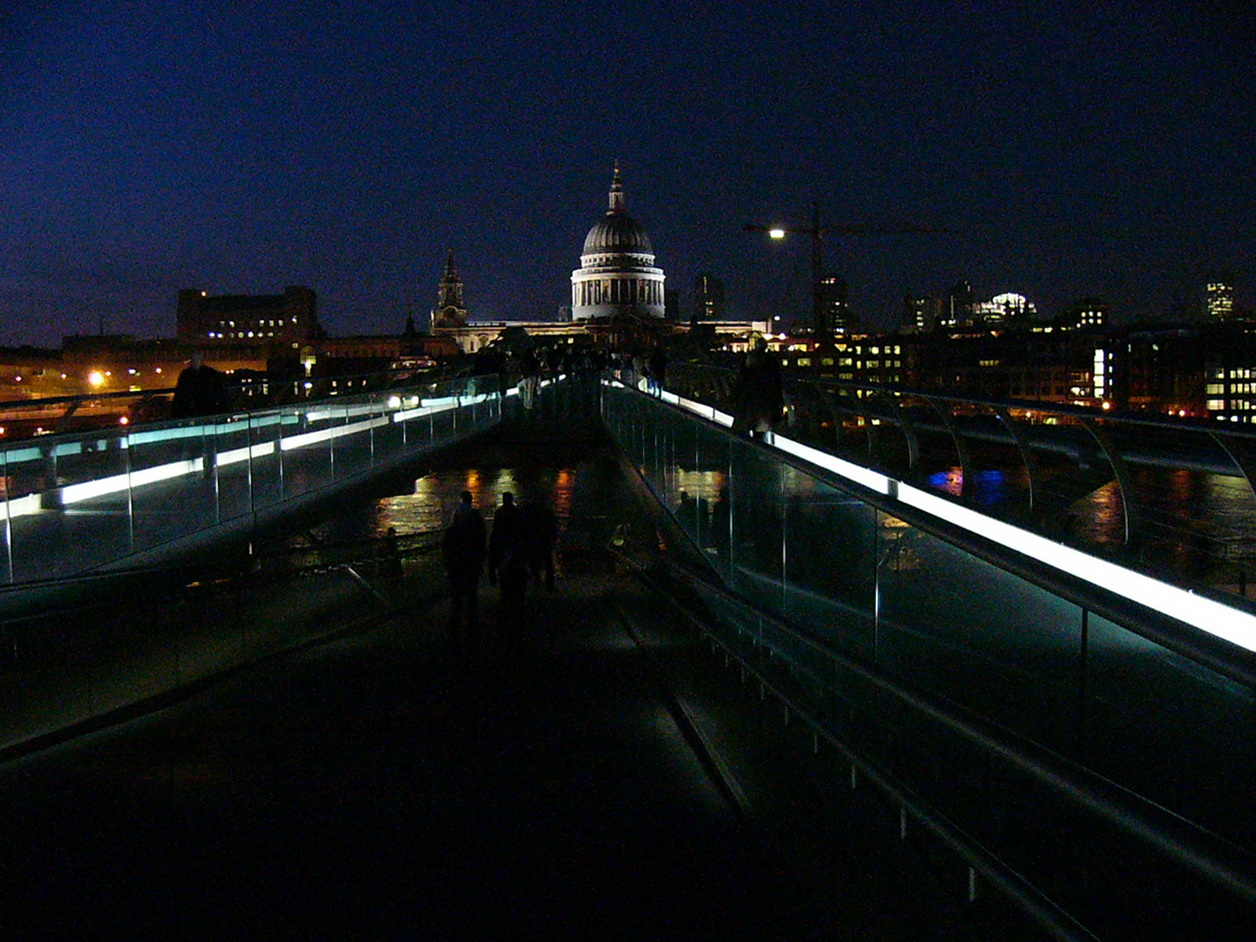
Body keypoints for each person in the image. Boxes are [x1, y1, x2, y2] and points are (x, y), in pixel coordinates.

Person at [442, 491, 487, 646]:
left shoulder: (456, 514)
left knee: (457, 593)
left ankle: (455, 622)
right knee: (472, 591)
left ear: (461, 499)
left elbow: (449, 537)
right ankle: (472, 621)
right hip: (472, 558)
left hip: (457, 560)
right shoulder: (475, 515)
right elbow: (482, 535)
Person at [488, 491, 529, 641]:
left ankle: (507, 614)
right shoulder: (518, 514)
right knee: (517, 586)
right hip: (516, 552)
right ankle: (517, 616)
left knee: (505, 585)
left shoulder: (499, 514)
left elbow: (495, 533)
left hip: (504, 552)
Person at [731, 335, 783, 436]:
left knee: (745, 425)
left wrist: (734, 396)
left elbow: (741, 380)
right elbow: (776, 383)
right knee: (760, 428)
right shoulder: (771, 362)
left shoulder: (749, 361)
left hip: (748, 397)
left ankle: (745, 444)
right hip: (764, 397)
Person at [171, 351, 230, 419]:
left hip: (193, 409)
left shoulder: (186, 375)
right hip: (204, 408)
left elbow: (180, 394)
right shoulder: (211, 373)